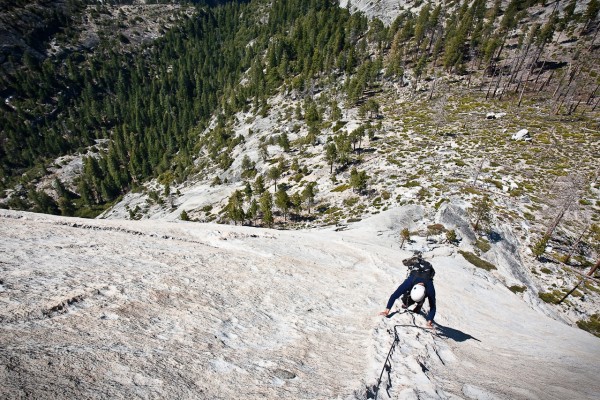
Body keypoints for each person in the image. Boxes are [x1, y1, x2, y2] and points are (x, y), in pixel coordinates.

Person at [380, 251, 437, 328]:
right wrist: (386, 311)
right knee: (405, 299)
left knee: (422, 296)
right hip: (417, 272)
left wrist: (429, 321)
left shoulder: (430, 287)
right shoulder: (409, 281)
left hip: (427, 273)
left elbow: (433, 307)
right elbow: (394, 295)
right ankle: (415, 261)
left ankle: (419, 304)